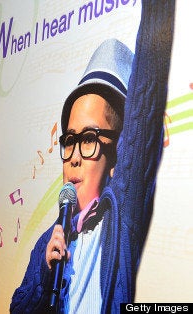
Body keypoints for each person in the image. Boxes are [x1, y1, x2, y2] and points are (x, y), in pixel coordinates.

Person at [10, 1, 174, 313]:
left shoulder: (122, 216)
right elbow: (17, 308)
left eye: (88, 139)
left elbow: (146, 96)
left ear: (116, 154)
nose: (73, 157)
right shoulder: (51, 238)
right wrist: (45, 272)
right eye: (69, 141)